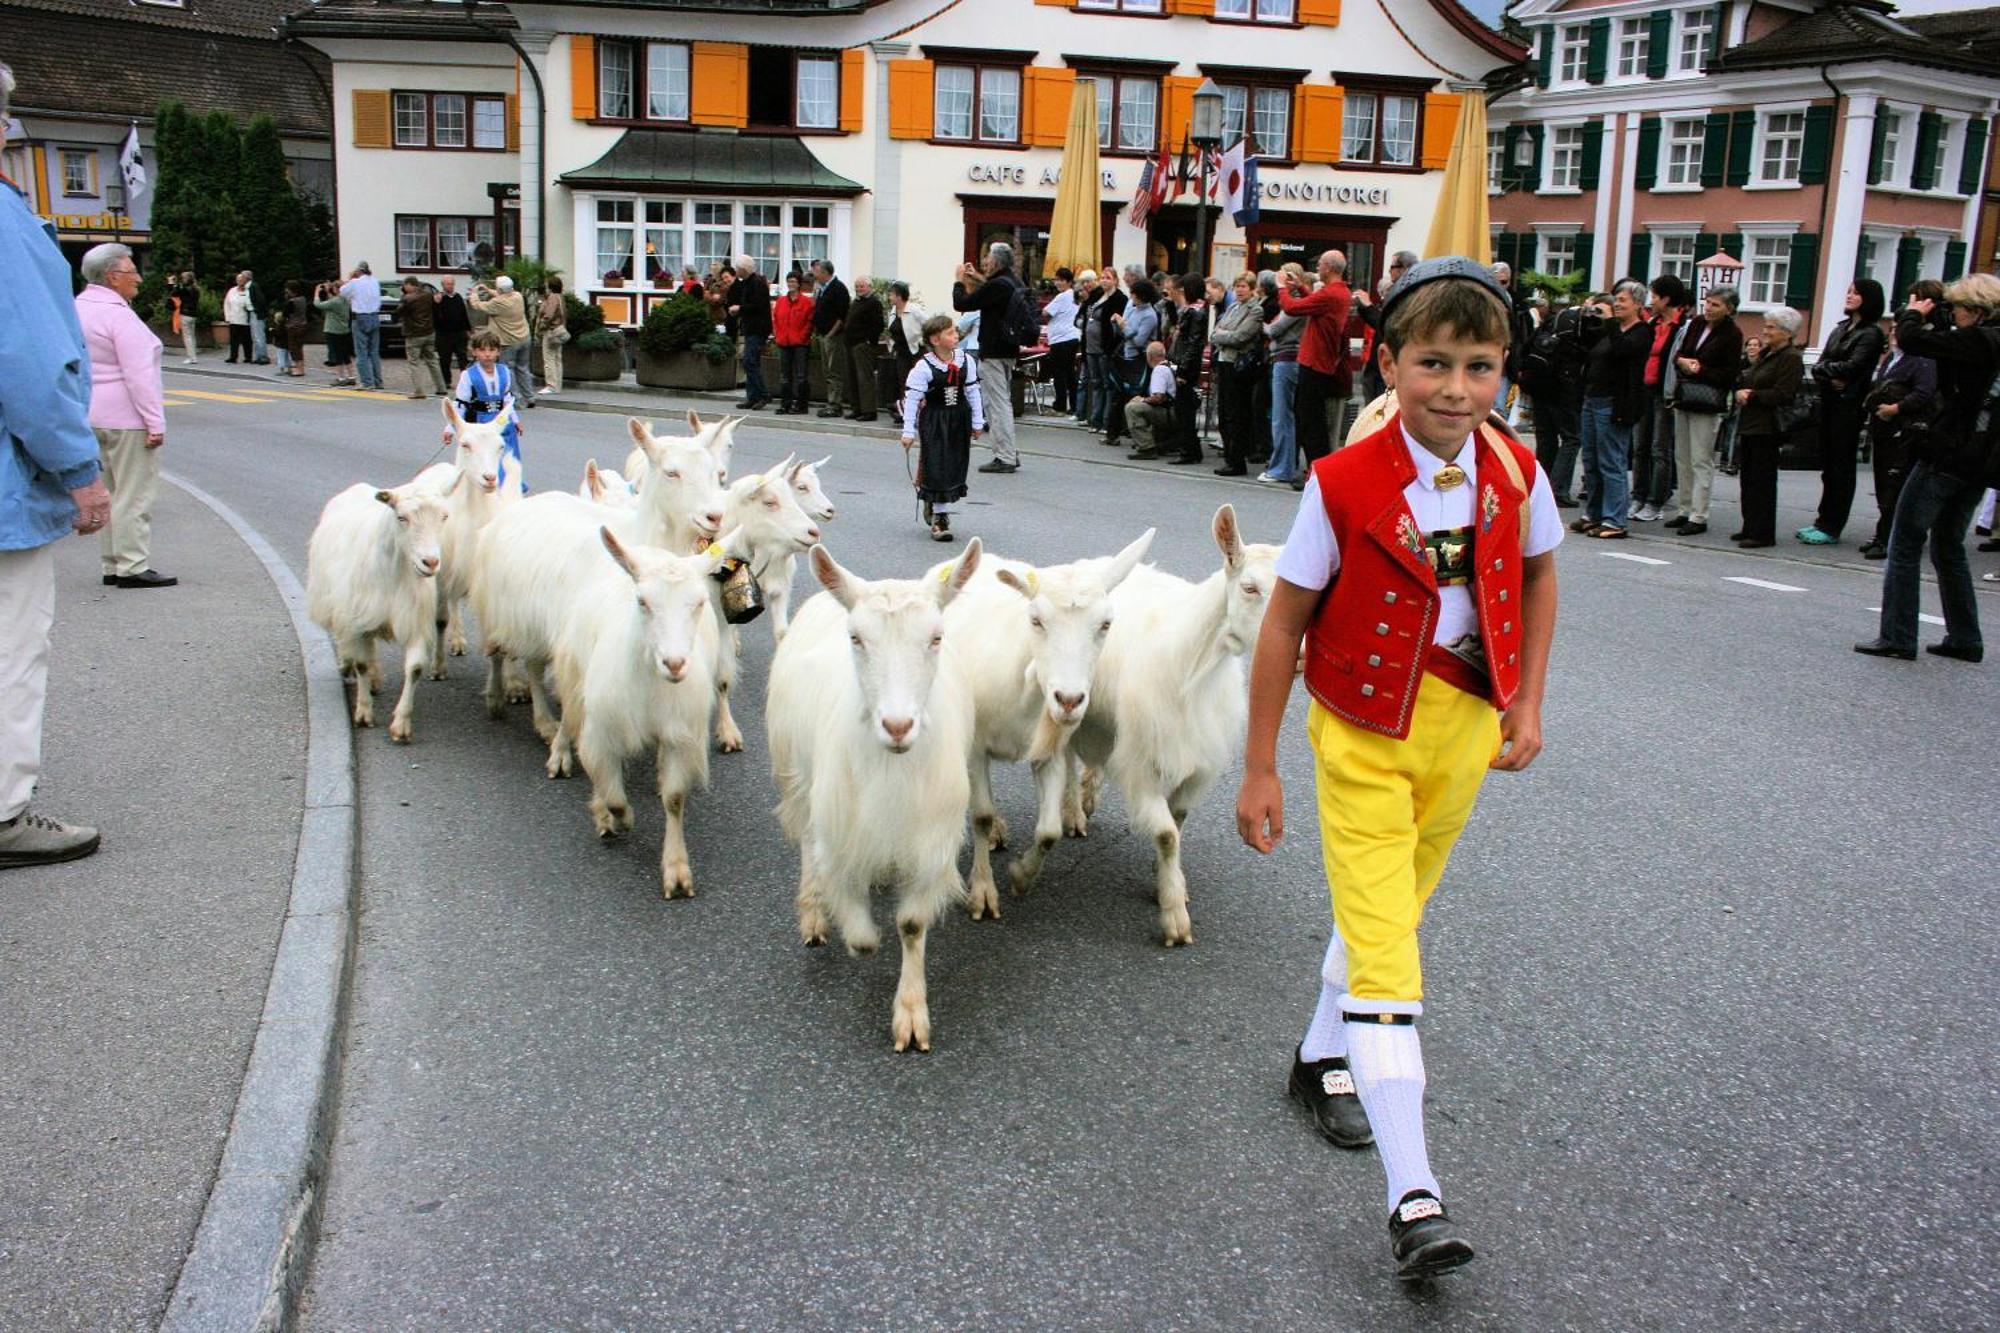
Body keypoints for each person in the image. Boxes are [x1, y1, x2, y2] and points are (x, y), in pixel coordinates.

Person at [1235, 256, 1560, 1282]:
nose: (1456, 388)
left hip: (1461, 725)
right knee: (1388, 955)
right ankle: (1412, 1196)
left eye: (1478, 365)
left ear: (1503, 368)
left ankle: (1315, 1057)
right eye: (1431, 363)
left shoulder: (1515, 470)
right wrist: (1258, 764)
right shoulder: (1338, 483)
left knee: (1389, 911)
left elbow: (1541, 573)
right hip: (1361, 732)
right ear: (1386, 363)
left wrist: (1527, 698)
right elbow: (1282, 619)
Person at [1, 59, 113, 866]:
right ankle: (5, 809)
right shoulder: (5, 226)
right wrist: (81, 471)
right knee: (12, 644)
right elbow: (35, 367)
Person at [1854, 275, 1999, 661]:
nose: (1953, 315)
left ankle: (1898, 635)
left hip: (1949, 452)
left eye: (1957, 309)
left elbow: (1916, 340)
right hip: (1980, 459)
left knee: (1905, 539)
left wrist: (1912, 315)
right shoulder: (1990, 340)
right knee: (1948, 544)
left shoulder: (1980, 340)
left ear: (1976, 311)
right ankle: (1965, 637)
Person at [75, 242, 173, 589]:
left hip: (89, 414)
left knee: (109, 492)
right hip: (126, 417)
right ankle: (133, 564)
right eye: (132, 272)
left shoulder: (74, 308)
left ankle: (112, 563)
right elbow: (139, 374)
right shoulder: (118, 315)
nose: (139, 279)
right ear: (113, 277)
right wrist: (154, 421)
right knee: (134, 494)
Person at [1799, 280, 1888, 546]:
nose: (1850, 296)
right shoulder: (1840, 329)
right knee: (1828, 466)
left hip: (1848, 406)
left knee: (1841, 467)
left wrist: (1833, 372)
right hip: (1829, 400)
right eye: (1849, 291)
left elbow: (1853, 367)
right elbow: (1820, 365)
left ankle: (1832, 524)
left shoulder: (1871, 333)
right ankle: (1822, 519)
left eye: (1856, 293)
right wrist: (1830, 374)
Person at [1665, 285, 1744, 538]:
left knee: (1701, 459)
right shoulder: (1697, 323)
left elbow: (1729, 373)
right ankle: (1684, 508)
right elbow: (1680, 352)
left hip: (1707, 401)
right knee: (1682, 456)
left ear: (1729, 309)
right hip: (1685, 396)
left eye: (1716, 305)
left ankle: (1699, 514)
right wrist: (1683, 361)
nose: (1709, 308)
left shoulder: (1732, 334)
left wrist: (1700, 369)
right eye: (1708, 302)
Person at [1574, 281, 1652, 539]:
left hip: (1614, 403)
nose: (1617, 304)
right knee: (1591, 461)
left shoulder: (1641, 332)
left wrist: (1609, 323)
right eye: (1616, 300)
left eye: (1622, 300)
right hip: (1592, 399)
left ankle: (1615, 519)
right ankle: (1594, 514)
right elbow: (1586, 348)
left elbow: (1622, 352)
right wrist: (1587, 317)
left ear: (1638, 305)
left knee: (1612, 462)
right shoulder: (1612, 329)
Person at [1859, 317, 1938, 560]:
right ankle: (1883, 532)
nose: (1893, 334)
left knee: (1895, 484)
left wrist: (1896, 408)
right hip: (1883, 428)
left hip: (1904, 430)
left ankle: (1888, 537)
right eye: (1892, 330)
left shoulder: (1921, 360)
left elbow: (1924, 393)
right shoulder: (1892, 359)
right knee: (1883, 483)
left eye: (1898, 330)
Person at [900, 313, 984, 543]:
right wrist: (908, 431)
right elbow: (912, 399)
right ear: (935, 340)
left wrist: (978, 421)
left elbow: (972, 392)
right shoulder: (924, 367)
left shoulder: (966, 360)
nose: (955, 335)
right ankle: (940, 517)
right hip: (935, 420)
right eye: (950, 333)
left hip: (959, 418)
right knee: (937, 464)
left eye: (955, 331)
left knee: (954, 465)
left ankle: (934, 502)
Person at [1729, 307, 1806, 549]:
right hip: (1751, 423)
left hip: (1768, 426)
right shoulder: (1767, 354)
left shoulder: (1791, 358)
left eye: (1771, 327)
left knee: (1762, 481)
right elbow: (1750, 378)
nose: (1765, 331)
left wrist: (1752, 396)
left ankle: (1763, 532)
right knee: (1748, 479)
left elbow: (1784, 393)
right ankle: (1749, 525)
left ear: (1786, 332)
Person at [952, 241, 1028, 473]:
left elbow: (961, 303)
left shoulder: (997, 286)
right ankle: (1007, 451)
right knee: (998, 401)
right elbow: (993, 292)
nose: (984, 261)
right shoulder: (1012, 282)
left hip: (994, 351)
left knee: (997, 403)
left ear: (995, 261)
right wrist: (978, 277)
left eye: (987, 258)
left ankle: (1005, 456)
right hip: (1008, 349)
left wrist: (959, 280)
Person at [1279, 250, 1353, 467]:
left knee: (1310, 421)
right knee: (1310, 419)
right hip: (1317, 362)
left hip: (1315, 363)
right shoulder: (1337, 292)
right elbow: (1313, 302)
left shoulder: (1332, 293)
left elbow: (1292, 308)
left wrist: (1282, 287)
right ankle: (1315, 467)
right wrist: (1300, 287)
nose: (1317, 267)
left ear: (1329, 267)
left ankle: (1316, 469)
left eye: (1320, 264)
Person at [1630, 275, 1685, 523]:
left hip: (1665, 393)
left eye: (1654, 296)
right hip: (1644, 390)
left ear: (1667, 298)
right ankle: (1638, 496)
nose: (1651, 301)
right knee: (1640, 447)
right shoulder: (1652, 324)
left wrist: (1673, 392)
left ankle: (1656, 500)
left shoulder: (1683, 327)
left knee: (1659, 449)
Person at [449, 331, 524, 493]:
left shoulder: (504, 372)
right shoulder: (469, 375)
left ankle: (511, 489)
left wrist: (515, 420)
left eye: (491, 350)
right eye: (482, 350)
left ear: (498, 352)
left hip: (503, 422)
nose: (487, 355)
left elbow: (508, 399)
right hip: (482, 422)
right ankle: (492, 489)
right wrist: (451, 428)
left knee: (509, 457)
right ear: (474, 352)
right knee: (488, 457)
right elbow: (461, 404)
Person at [1210, 272, 1266, 476]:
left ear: (1251, 289)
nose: (1240, 290)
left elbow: (1241, 336)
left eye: (1244, 286)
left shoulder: (1256, 310)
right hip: (1224, 361)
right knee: (1224, 413)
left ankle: (1236, 460)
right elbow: (1215, 332)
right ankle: (1228, 456)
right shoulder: (1233, 307)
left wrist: (1224, 334)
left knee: (1237, 414)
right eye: (1237, 286)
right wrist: (1225, 334)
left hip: (1239, 366)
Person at [1262, 269, 1306, 486]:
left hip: (1287, 359)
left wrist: (1265, 326)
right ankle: (1283, 465)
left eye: (1287, 278)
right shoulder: (1296, 302)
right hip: (1287, 358)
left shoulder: (1295, 303)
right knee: (1284, 416)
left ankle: (1281, 468)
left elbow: (1274, 329)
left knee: (1282, 417)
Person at [1104, 277, 1158, 450]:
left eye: (1134, 294)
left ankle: (1139, 437)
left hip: (1138, 360)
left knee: (1135, 398)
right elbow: (1122, 333)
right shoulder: (1133, 310)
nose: (1131, 298)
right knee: (1117, 398)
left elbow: (1140, 341)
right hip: (1125, 358)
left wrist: (1123, 326)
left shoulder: (1149, 315)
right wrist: (1116, 324)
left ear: (1141, 296)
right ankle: (1112, 434)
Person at [468, 275, 531, 407]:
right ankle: (529, 397)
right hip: (524, 337)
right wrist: (489, 289)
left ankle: (516, 399)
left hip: (509, 341)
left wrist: (474, 294)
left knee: (508, 369)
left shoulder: (498, 304)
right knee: (523, 368)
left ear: (500, 289)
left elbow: (478, 305)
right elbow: (502, 294)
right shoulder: (517, 296)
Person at [1163, 273, 1206, 465]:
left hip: (1186, 367)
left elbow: (1194, 343)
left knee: (1184, 409)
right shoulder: (1190, 310)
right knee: (1182, 409)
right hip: (1182, 362)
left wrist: (1183, 370)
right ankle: (1190, 448)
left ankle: (1189, 450)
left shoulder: (1196, 312)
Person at [728, 254, 773, 410]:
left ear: (744, 269)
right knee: (751, 362)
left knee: (750, 362)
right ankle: (752, 397)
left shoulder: (757, 283)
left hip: (757, 328)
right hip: (751, 327)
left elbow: (757, 306)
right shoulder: (747, 283)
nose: (736, 271)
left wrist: (739, 309)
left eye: (738, 268)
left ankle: (763, 394)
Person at [1124, 341, 1178, 461]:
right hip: (1178, 411)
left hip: (1169, 413)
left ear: (1149, 357)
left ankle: (1146, 447)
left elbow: (1159, 398)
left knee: (1132, 408)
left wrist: (1142, 400)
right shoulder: (1170, 366)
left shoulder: (1159, 370)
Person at [810, 259, 851, 418]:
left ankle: (835, 404)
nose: (815, 274)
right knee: (827, 371)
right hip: (823, 334)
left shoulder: (838, 288)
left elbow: (842, 316)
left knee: (834, 371)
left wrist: (830, 334)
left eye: (817, 271)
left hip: (833, 336)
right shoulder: (821, 289)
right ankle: (830, 401)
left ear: (826, 272)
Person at [772, 270, 816, 415]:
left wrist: (803, 337)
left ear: (799, 284)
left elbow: (809, 322)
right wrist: (778, 336)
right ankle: (786, 404)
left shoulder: (806, 302)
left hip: (800, 343)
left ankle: (802, 405)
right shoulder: (781, 302)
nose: (791, 284)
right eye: (789, 281)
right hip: (784, 342)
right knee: (785, 376)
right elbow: (776, 320)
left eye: (794, 281)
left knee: (801, 376)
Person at [844, 275, 886, 423]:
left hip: (863, 346)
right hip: (851, 345)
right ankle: (857, 409)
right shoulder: (856, 302)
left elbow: (878, 325)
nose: (859, 289)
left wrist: (869, 341)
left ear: (869, 287)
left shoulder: (873, 302)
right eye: (857, 286)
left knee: (864, 379)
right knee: (853, 378)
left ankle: (869, 411)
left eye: (861, 286)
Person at [398, 278, 446, 400]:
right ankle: (441, 388)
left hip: (414, 334)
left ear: (410, 285)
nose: (404, 287)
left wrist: (403, 296)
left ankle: (419, 390)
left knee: (414, 362)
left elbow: (399, 311)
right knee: (432, 360)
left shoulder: (408, 298)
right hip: (429, 332)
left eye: (405, 285)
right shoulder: (428, 295)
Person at [1043, 268, 1081, 416]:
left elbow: (1046, 312)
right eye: (1056, 279)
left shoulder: (1062, 296)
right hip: (1073, 337)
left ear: (1068, 282)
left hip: (1060, 339)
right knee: (1070, 373)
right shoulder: (1075, 296)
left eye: (1061, 280)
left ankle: (1059, 406)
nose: (1057, 282)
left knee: (1059, 374)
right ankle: (1074, 404)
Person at [341, 261, 384, 390]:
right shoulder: (375, 281)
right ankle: (378, 381)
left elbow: (342, 292)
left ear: (358, 271)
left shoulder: (355, 282)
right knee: (374, 351)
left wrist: (350, 279)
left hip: (360, 317)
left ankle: (367, 382)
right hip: (374, 316)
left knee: (361, 352)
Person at [884, 280, 925, 408]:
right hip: (901, 352)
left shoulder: (913, 310)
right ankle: (905, 409)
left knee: (917, 383)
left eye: (891, 294)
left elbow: (929, 325)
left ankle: (920, 410)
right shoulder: (893, 311)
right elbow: (891, 330)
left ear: (899, 296)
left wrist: (922, 340)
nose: (889, 297)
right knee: (903, 381)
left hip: (916, 351)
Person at [314, 279, 354, 386]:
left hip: (333, 330)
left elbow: (318, 304)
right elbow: (331, 301)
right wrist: (328, 291)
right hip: (344, 330)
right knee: (346, 355)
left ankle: (340, 378)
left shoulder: (335, 301)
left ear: (336, 290)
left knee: (336, 355)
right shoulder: (346, 300)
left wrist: (316, 292)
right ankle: (351, 376)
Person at [434, 275, 471, 384]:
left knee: (462, 357)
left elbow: (464, 314)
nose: (450, 286)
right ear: (443, 285)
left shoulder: (458, 297)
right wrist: (436, 304)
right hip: (443, 334)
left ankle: (466, 380)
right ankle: (446, 381)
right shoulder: (439, 298)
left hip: (459, 333)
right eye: (447, 284)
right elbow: (435, 316)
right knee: (445, 358)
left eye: (451, 284)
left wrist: (468, 329)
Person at [535, 276, 568, 397]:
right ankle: (557, 385)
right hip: (560, 330)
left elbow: (549, 314)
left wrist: (541, 326)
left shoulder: (553, 297)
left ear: (550, 287)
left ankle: (551, 386)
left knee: (549, 359)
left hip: (551, 331)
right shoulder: (561, 297)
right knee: (557, 359)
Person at [277, 281, 309, 379]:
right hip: (303, 325)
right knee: (299, 347)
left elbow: (284, 315)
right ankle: (301, 367)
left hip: (293, 327)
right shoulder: (303, 299)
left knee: (294, 349)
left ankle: (298, 369)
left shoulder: (291, 302)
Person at [170, 270, 201, 365]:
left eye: (183, 278)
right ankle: (193, 356)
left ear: (187, 279)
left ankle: (191, 357)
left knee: (187, 336)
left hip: (185, 313)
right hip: (193, 314)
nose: (182, 280)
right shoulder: (196, 289)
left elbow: (174, 293)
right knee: (192, 336)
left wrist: (172, 283)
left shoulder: (186, 289)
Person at [222, 272, 254, 364]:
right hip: (233, 319)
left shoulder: (248, 291)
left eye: (241, 280)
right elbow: (226, 304)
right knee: (233, 340)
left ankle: (248, 357)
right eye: (238, 280)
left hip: (245, 320)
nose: (239, 281)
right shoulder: (232, 291)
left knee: (247, 340)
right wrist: (227, 317)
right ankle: (233, 356)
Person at [242, 269, 271, 366]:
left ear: (246, 278)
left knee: (259, 335)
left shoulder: (253, 286)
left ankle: (263, 356)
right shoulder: (248, 287)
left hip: (256, 313)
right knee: (255, 335)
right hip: (252, 312)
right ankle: (259, 355)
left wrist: (258, 310)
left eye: (242, 276)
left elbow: (260, 300)